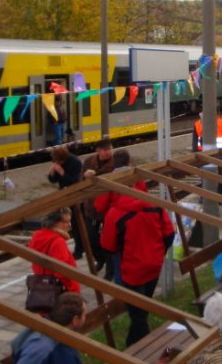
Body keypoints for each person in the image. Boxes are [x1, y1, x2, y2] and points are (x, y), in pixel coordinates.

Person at [98, 177, 175, 346]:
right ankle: (131, 343)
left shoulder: (115, 213)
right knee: (142, 309)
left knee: (137, 314)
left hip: (132, 269)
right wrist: (159, 252)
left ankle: (146, 349)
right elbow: (169, 234)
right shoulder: (154, 204)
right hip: (154, 264)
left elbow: (108, 246)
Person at [28, 208, 81, 295]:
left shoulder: (38, 236)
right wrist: (74, 290)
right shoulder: (58, 242)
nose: (70, 225)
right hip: (58, 290)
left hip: (42, 286)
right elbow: (61, 271)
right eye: (66, 222)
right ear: (55, 222)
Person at [80, 138, 115, 265]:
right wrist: (85, 176)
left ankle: (110, 265)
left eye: (109, 149)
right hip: (92, 206)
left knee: (110, 238)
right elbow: (80, 181)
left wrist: (96, 177)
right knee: (91, 237)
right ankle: (100, 259)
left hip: (108, 207)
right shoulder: (89, 161)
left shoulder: (115, 163)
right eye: (105, 150)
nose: (108, 152)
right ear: (98, 151)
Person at [47, 146, 86, 258]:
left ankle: (79, 250)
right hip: (64, 195)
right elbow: (53, 180)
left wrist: (62, 172)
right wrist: (52, 173)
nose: (58, 163)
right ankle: (73, 248)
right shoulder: (57, 161)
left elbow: (75, 181)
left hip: (76, 195)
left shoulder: (75, 163)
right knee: (67, 222)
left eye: (60, 162)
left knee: (77, 224)